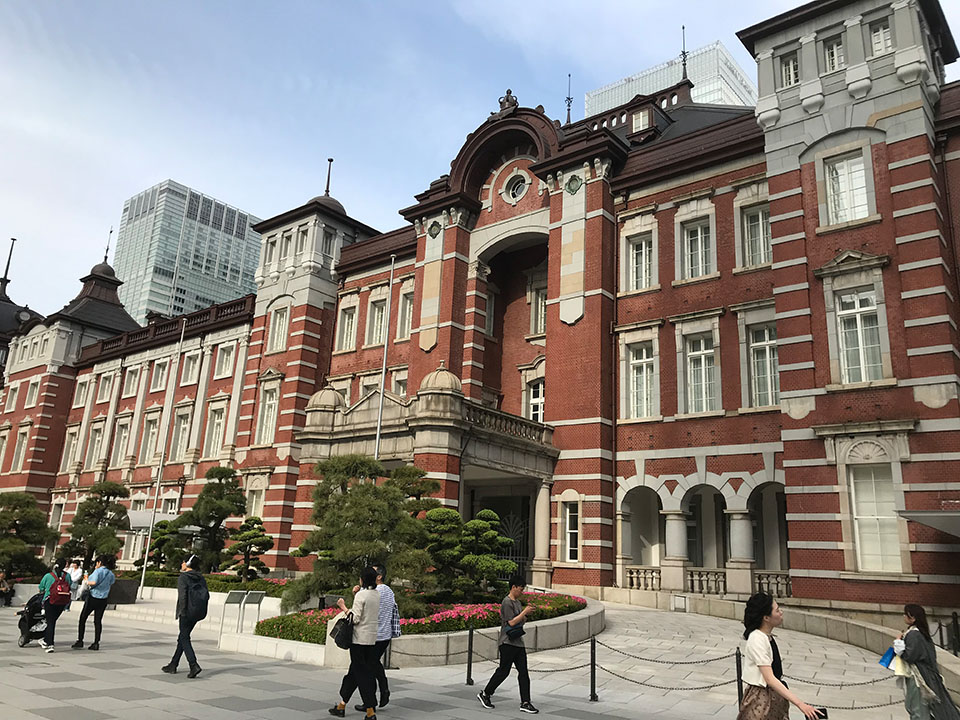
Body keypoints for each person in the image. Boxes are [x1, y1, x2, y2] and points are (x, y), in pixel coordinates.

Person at [737, 592, 821, 720]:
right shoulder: (757, 639)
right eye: (777, 610)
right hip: (761, 699)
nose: (781, 612)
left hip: (771, 696)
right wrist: (800, 704)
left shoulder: (766, 637)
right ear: (766, 617)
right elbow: (769, 678)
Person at [477, 575, 539, 715]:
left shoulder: (517, 602)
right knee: (503, 671)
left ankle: (525, 702)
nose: (522, 591)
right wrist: (524, 612)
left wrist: (526, 615)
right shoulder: (507, 602)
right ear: (513, 587)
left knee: (523, 673)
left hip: (518, 642)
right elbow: (510, 622)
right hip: (507, 642)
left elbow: (519, 622)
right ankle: (486, 693)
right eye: (520, 589)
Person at [329, 566, 381, 720]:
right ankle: (341, 705)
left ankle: (370, 710)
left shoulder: (362, 596)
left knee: (362, 675)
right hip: (371, 640)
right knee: (354, 673)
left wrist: (343, 606)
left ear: (362, 579)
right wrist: (356, 595)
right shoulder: (376, 594)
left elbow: (355, 618)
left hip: (358, 640)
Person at [893, 603, 960, 720]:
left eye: (906, 614)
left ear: (912, 618)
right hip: (927, 675)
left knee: (917, 707)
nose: (904, 616)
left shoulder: (914, 634)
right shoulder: (922, 633)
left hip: (919, 677)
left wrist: (898, 642)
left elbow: (909, 656)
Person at [352, 564, 400, 712]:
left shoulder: (375, 592)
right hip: (384, 635)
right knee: (372, 664)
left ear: (378, 576)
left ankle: (371, 702)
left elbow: (362, 613)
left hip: (373, 635)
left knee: (366, 668)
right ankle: (377, 695)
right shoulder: (388, 591)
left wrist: (357, 594)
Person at [162, 554, 209, 678]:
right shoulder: (200, 577)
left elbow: (182, 596)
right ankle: (173, 664)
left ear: (187, 564)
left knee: (184, 638)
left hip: (187, 611)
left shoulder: (184, 577)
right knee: (183, 637)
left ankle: (193, 665)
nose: (181, 564)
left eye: (183, 562)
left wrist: (182, 612)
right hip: (197, 611)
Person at [72, 554, 116, 651]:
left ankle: (80, 640)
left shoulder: (98, 571)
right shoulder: (110, 573)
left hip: (93, 597)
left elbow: (94, 582)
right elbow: (112, 582)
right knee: (98, 621)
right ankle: (96, 642)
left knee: (83, 618)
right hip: (103, 599)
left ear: (99, 562)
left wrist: (87, 580)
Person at [37, 562, 72, 652]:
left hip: (50, 601)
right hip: (62, 602)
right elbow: (70, 586)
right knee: (52, 621)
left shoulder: (48, 576)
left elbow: (41, 587)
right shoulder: (67, 576)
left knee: (50, 622)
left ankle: (50, 644)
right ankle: (45, 640)